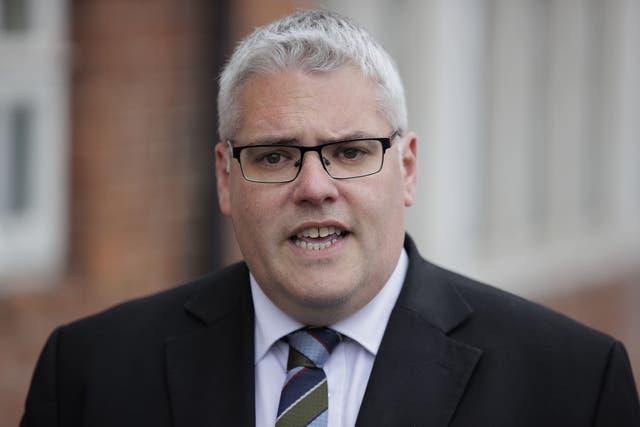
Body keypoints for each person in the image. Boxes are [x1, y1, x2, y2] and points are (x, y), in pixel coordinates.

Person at [21, 9, 640, 427]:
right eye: (274, 156)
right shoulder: (90, 374)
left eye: (349, 152)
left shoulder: (571, 385)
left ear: (408, 168)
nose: (315, 187)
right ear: (224, 177)